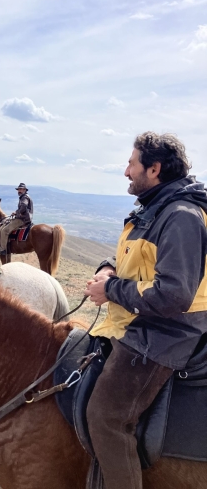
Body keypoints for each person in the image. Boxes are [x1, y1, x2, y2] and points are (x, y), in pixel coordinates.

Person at [83, 132, 207, 489]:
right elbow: (139, 264)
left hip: (168, 330)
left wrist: (110, 290)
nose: (126, 171)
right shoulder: (158, 206)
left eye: (131, 163)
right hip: (141, 318)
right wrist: (108, 269)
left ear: (153, 169)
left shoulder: (181, 215)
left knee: (106, 417)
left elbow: (174, 294)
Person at [0, 182, 33, 255]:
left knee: (4, 230)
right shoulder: (24, 197)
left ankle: (3, 249)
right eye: (18, 189)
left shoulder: (24, 197)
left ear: (25, 190)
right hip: (25, 218)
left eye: (21, 189)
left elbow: (24, 207)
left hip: (22, 219)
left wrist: (17, 212)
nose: (19, 191)